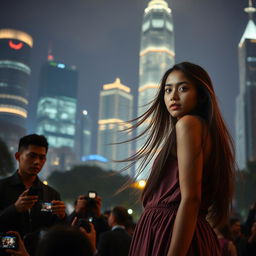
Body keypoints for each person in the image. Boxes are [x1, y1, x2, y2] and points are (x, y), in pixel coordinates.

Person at [126, 62, 235, 255]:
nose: (173, 96)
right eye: (168, 90)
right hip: (175, 231)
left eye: (183, 88)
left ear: (201, 95)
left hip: (170, 235)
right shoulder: (204, 130)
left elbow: (191, 198)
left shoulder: (188, 124)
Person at [0, 134, 66, 255]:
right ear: (18, 156)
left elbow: (56, 235)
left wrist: (62, 217)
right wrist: (15, 209)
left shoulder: (51, 194)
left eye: (42, 158)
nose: (37, 162)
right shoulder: (2, 188)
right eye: (32, 156)